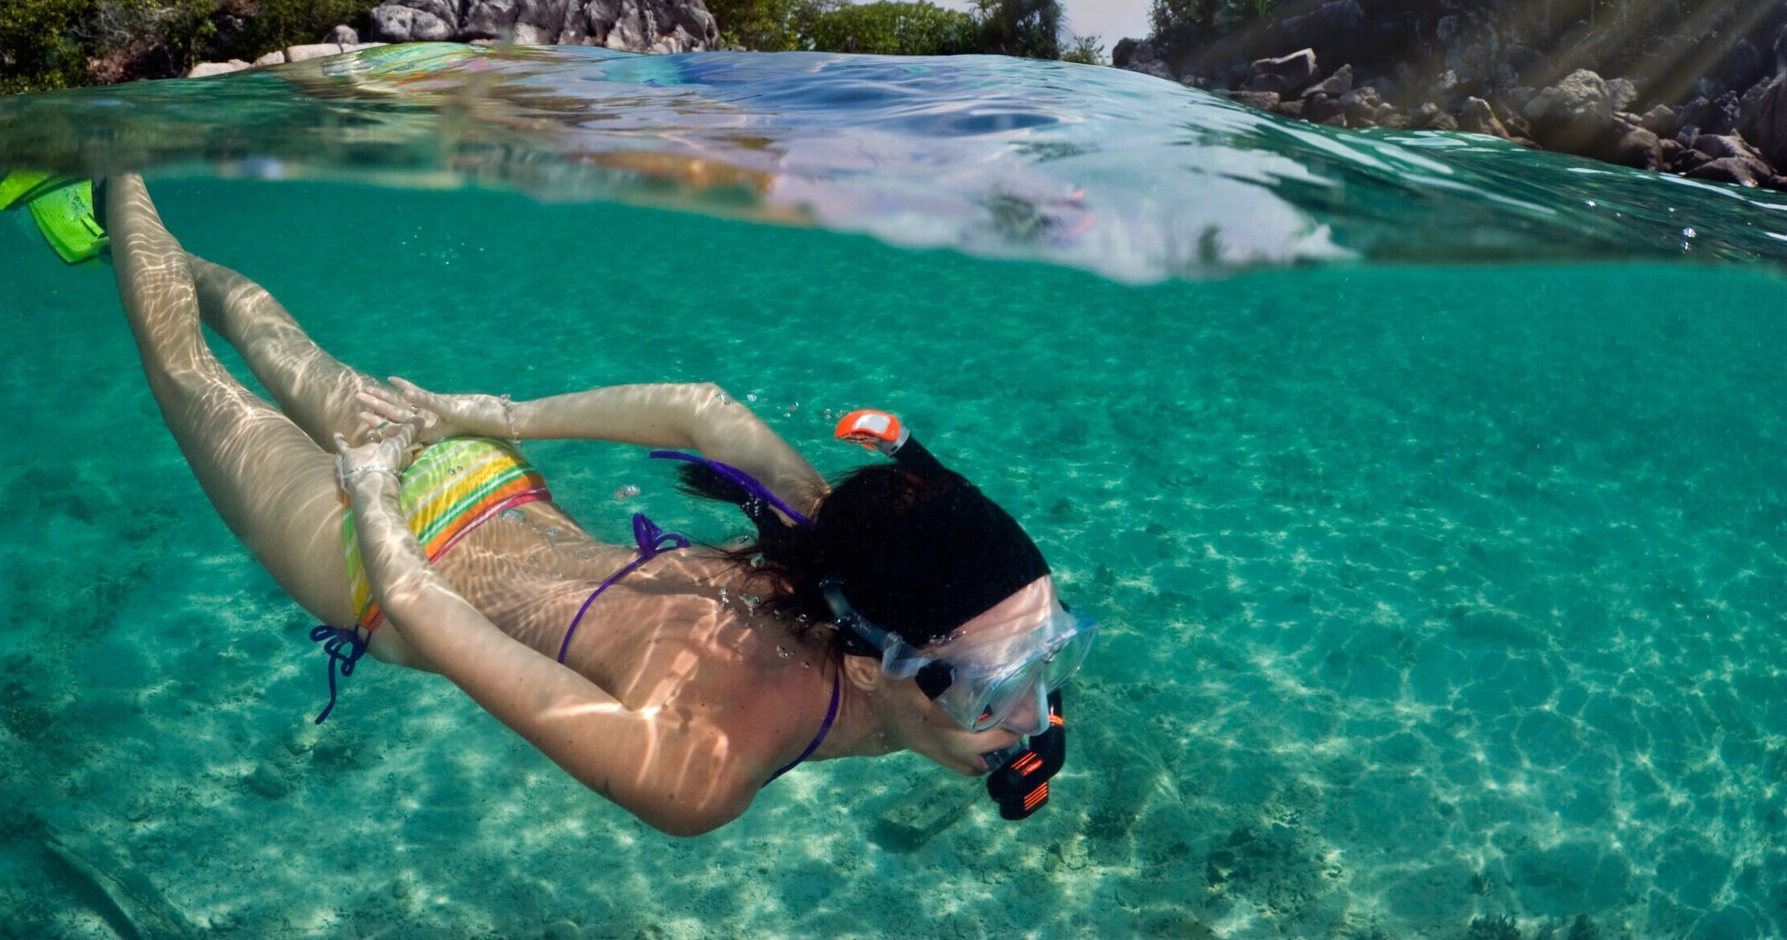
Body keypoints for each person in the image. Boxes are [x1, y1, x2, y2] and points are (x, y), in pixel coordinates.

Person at [101, 172, 1094, 836]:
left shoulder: (833, 543)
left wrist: (484, 416)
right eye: (992, 682)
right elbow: (426, 617)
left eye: (1048, 654)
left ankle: (144, 241)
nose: (1032, 716)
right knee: (190, 373)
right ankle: (114, 177)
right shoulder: (698, 768)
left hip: (475, 470)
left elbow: (701, 409)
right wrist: (371, 481)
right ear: (884, 658)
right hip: (387, 552)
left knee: (266, 333)